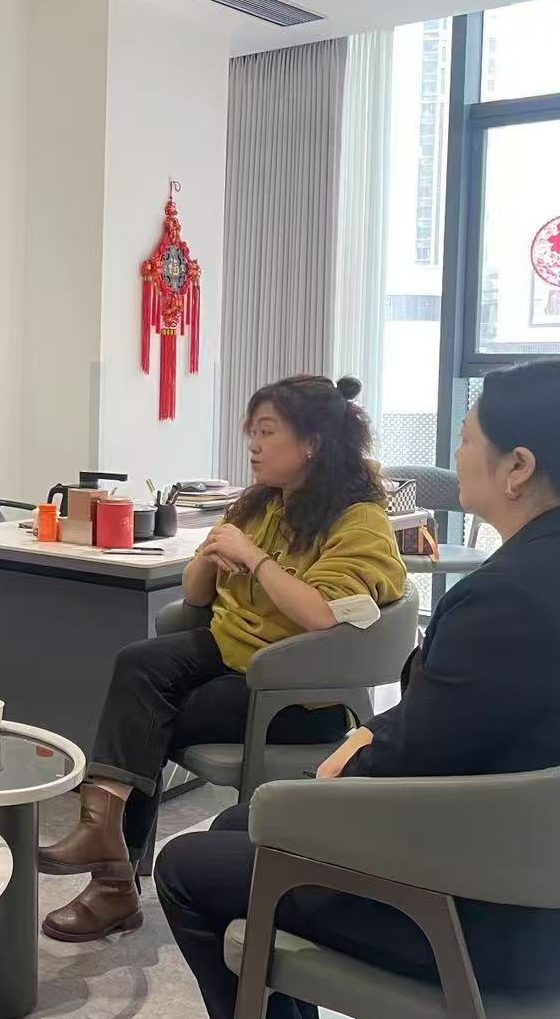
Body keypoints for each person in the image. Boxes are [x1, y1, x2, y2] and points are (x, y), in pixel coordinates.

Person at [157, 359, 560, 1019]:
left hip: (487, 920)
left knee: (189, 867)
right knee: (244, 823)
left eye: (467, 438)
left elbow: (412, 760)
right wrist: (364, 741)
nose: (456, 453)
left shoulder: (508, 598)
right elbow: (454, 725)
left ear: (517, 468)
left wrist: (340, 771)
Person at [40, 375, 406, 942]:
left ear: (313, 442)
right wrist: (211, 556)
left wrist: (254, 558)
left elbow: (322, 615)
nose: (253, 446)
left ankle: (111, 879)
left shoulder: (358, 520)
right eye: (251, 432)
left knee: (147, 720)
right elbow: (195, 596)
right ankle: (103, 837)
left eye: (267, 432)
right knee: (137, 664)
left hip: (300, 691)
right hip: (235, 655)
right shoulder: (260, 502)